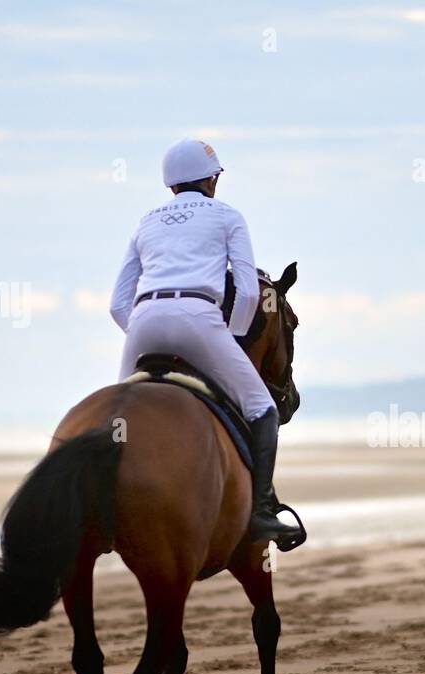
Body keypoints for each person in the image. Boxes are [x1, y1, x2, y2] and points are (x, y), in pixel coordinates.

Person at [109, 138, 296, 546]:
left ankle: (103, 509)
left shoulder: (147, 221)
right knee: (263, 409)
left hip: (142, 321)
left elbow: (117, 303)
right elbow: (248, 293)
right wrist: (224, 341)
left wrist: (146, 332)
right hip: (199, 318)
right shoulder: (228, 216)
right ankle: (261, 513)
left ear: (171, 184)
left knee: (115, 420)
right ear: (211, 179)